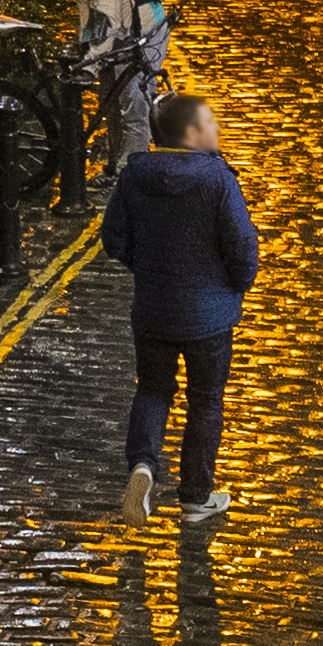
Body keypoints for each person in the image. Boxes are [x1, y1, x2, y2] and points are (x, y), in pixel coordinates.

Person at [103, 89, 257, 523]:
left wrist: (147, 267)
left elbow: (113, 239)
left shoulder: (134, 177)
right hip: (210, 318)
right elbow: (243, 248)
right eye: (210, 123)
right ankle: (195, 496)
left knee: (153, 390)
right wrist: (235, 286)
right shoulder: (218, 179)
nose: (217, 129)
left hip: (153, 309)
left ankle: (143, 465)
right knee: (205, 401)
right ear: (191, 133)